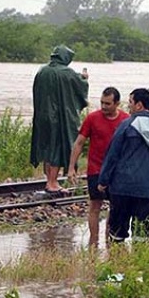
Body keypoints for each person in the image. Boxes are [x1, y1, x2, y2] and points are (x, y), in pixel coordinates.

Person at [97, 88, 149, 242]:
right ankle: (140, 264)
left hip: (122, 187)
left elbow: (112, 154)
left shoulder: (127, 125)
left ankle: (117, 262)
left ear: (139, 105)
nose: (128, 106)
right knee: (143, 234)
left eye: (130, 102)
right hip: (148, 190)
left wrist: (103, 180)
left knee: (117, 233)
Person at [68, 87, 130, 246]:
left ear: (117, 103)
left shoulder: (126, 119)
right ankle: (93, 240)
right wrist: (71, 168)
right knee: (95, 204)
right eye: (102, 103)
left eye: (108, 104)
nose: (103, 107)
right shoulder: (92, 118)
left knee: (115, 206)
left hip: (117, 172)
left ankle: (109, 239)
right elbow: (79, 142)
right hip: (96, 169)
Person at [30, 45, 89, 194]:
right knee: (57, 148)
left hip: (42, 116)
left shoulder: (42, 71)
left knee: (46, 147)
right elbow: (80, 88)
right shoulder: (67, 73)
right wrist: (84, 79)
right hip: (58, 117)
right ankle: (52, 182)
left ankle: (49, 180)